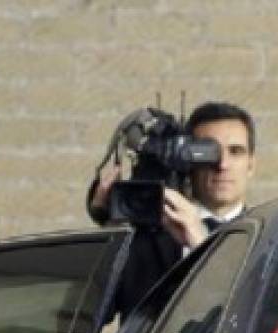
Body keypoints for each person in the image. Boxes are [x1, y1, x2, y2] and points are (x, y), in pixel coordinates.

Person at [88, 100, 257, 318]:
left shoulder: (270, 240)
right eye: (207, 151)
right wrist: (108, 234)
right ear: (186, 161)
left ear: (251, 164)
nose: (222, 165)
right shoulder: (142, 243)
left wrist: (201, 245)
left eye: (236, 151)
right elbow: (82, 317)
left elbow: (255, 320)